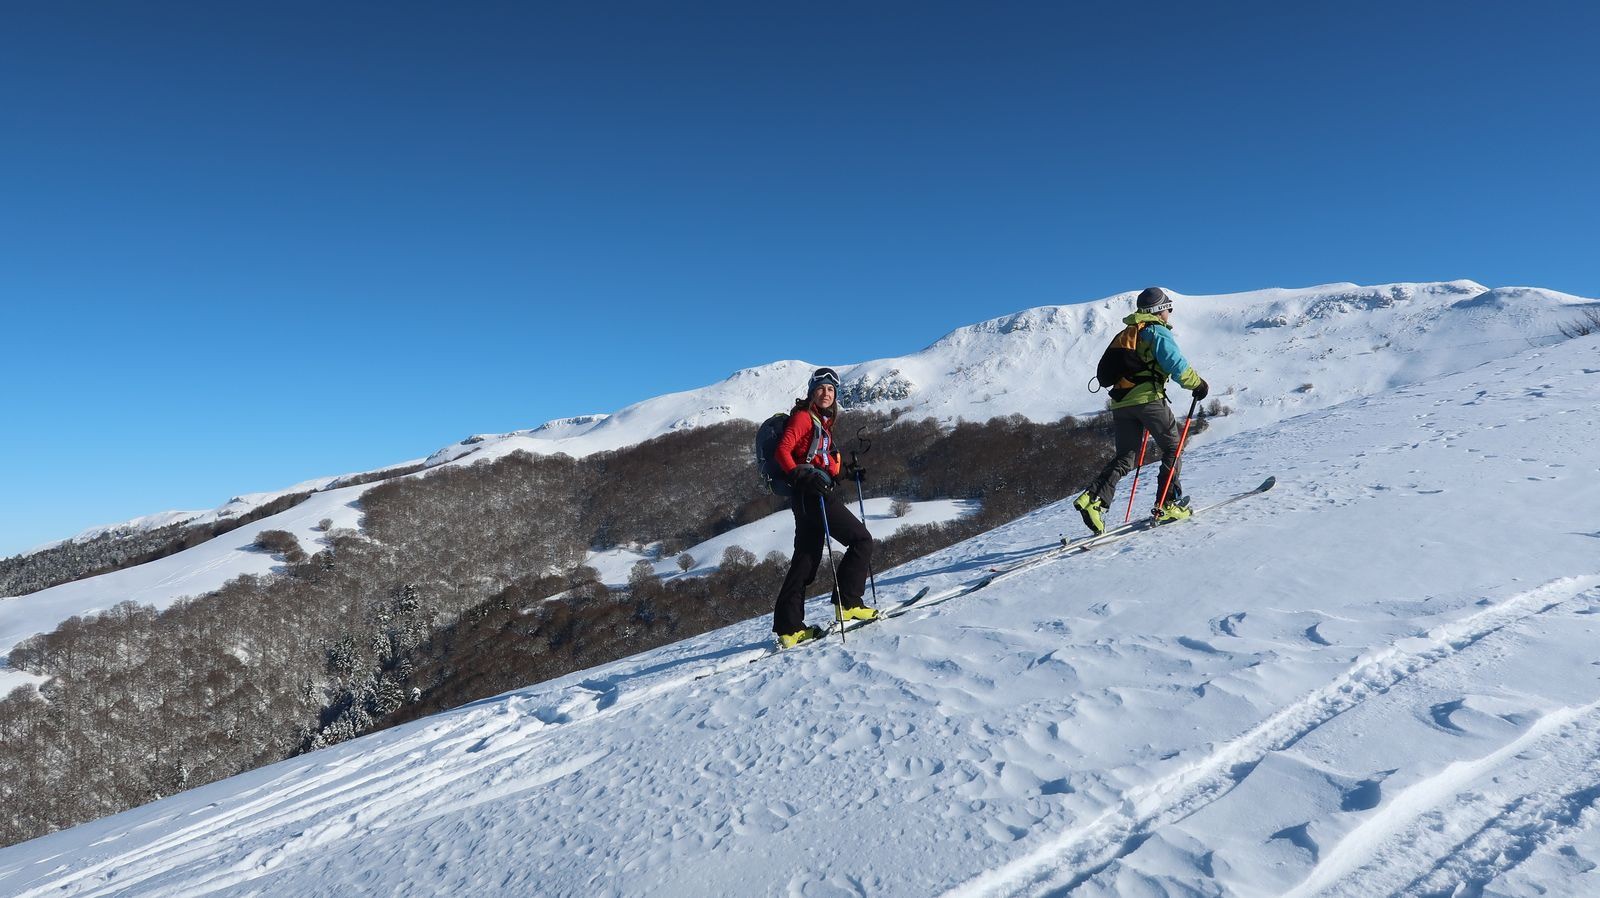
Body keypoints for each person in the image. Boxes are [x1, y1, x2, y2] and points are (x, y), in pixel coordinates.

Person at [1075, 287, 1210, 534]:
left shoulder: (1128, 332)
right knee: (1172, 447)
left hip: (1120, 403)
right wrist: (1198, 384)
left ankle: (1093, 499)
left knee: (1126, 456)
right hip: (1148, 400)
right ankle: (1167, 503)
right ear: (1159, 309)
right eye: (1168, 307)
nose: (1170, 312)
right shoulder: (1155, 331)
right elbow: (1175, 364)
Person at [771, 367, 877, 648]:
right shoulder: (804, 417)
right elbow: (782, 450)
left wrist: (848, 473)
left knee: (805, 559)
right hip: (810, 495)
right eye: (821, 389)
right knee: (861, 539)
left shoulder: (822, 423)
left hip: (808, 494)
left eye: (831, 390)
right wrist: (799, 475)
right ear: (811, 392)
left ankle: (789, 628)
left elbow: (821, 464)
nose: (826, 393)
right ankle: (848, 603)